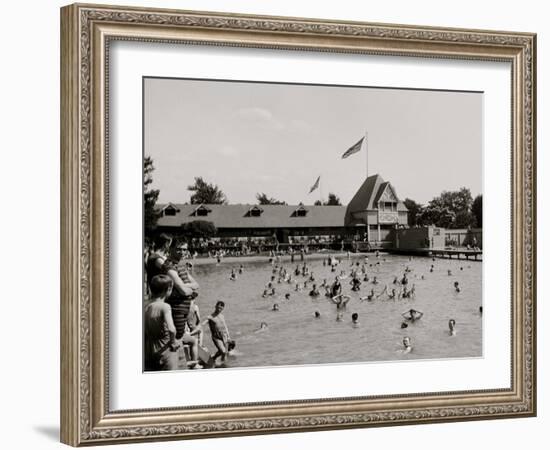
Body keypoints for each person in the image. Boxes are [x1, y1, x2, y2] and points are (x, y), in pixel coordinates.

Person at [144, 275, 181, 371]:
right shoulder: (165, 307)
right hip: (165, 350)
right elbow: (171, 329)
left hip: (148, 351)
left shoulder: (145, 306)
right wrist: (173, 342)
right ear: (168, 289)